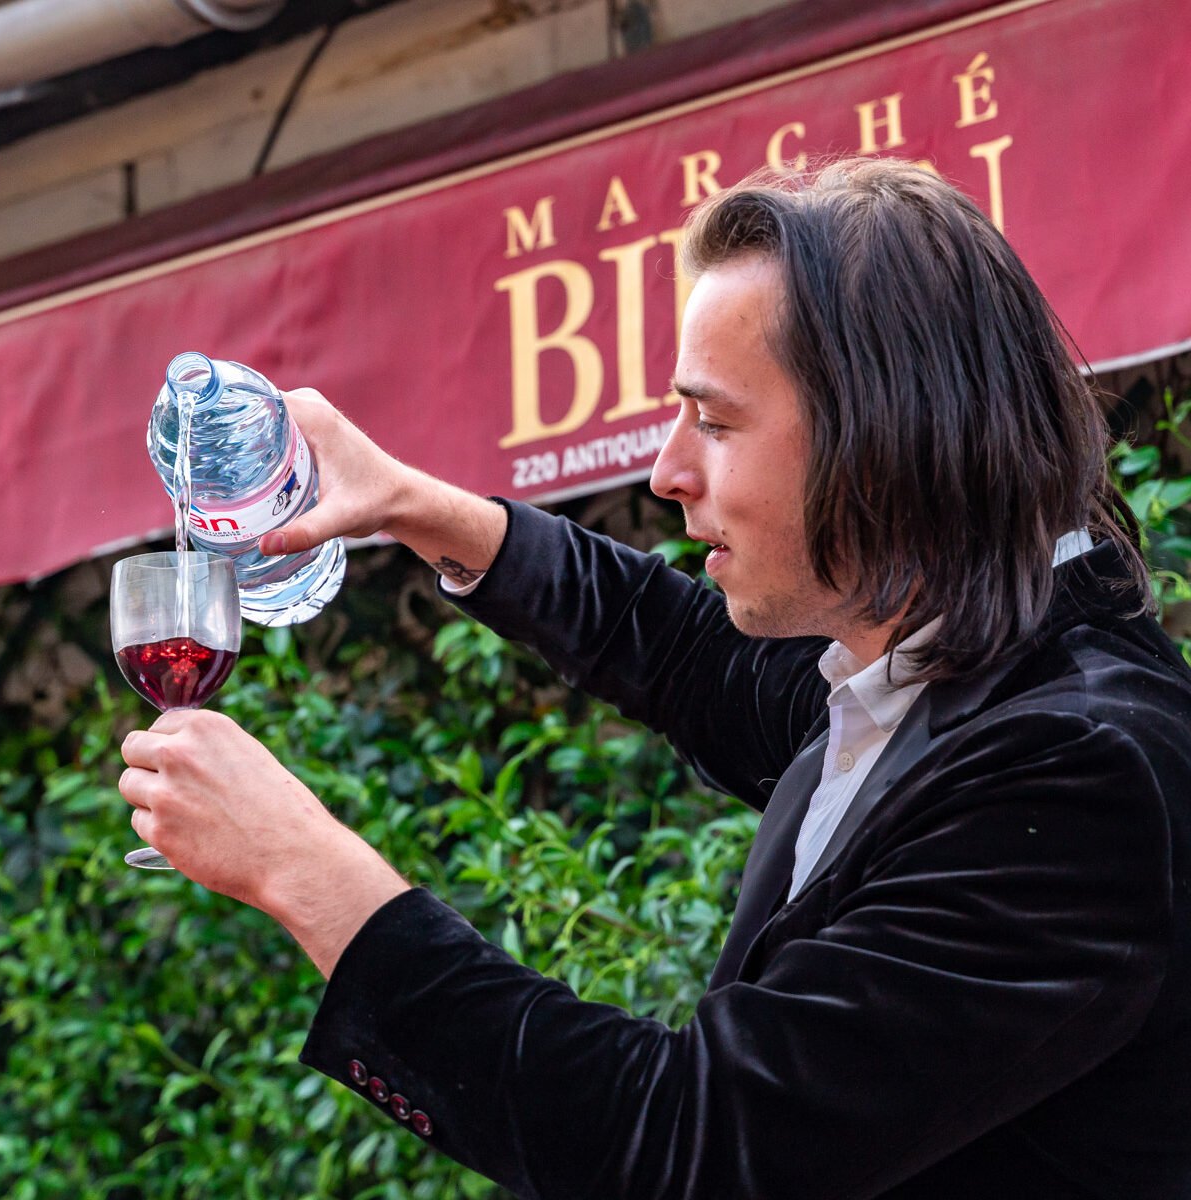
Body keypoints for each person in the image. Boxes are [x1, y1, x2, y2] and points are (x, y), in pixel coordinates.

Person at [118, 157, 1191, 1198]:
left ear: (883, 437)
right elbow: (683, 654)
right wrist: (413, 505)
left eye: (715, 423)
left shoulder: (1076, 770)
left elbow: (689, 1144)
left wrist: (306, 873)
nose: (667, 473)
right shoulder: (949, 668)